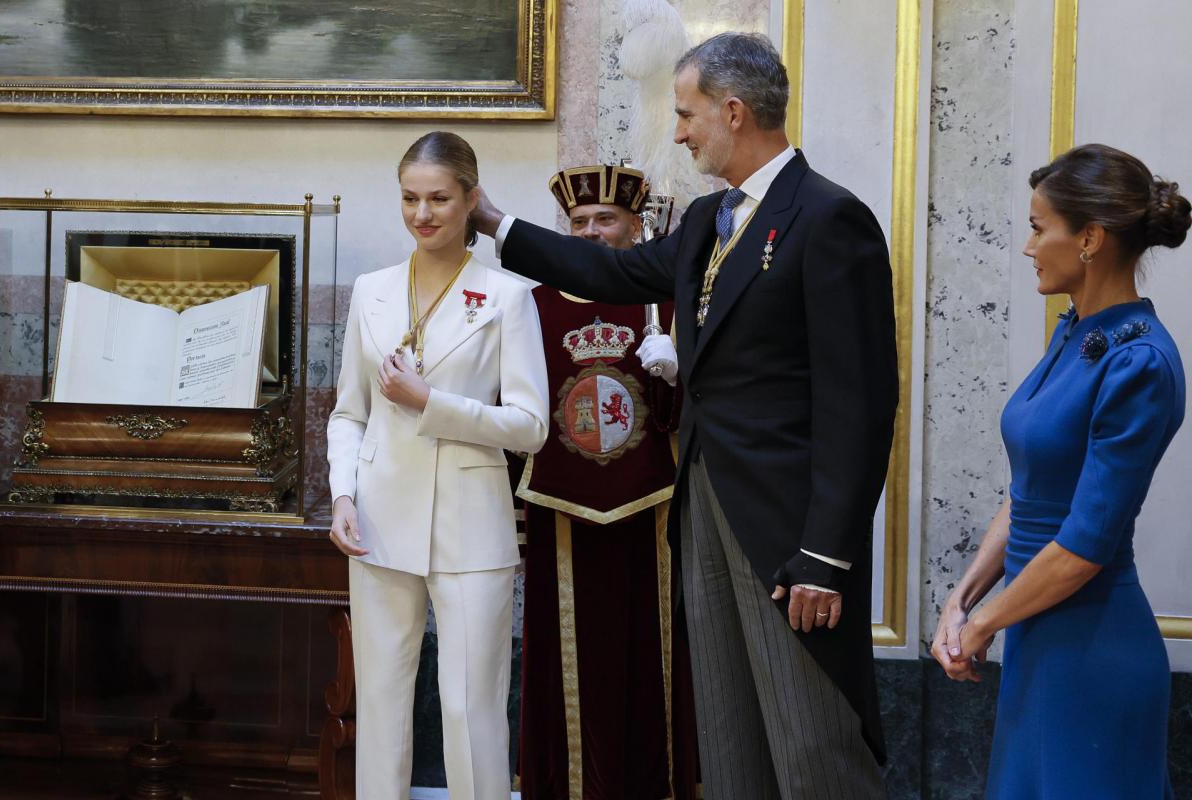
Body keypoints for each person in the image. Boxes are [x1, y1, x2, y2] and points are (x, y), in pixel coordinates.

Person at [473, 32, 898, 800]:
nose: (676, 132)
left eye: (686, 113)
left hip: (786, 529)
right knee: (728, 735)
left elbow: (861, 402)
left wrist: (827, 555)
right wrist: (495, 222)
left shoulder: (829, 218)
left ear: (733, 112)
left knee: (810, 742)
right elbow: (606, 268)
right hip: (702, 507)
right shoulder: (706, 221)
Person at [931, 143, 1191, 799]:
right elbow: (1030, 496)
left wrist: (985, 622)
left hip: (1093, 655)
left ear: (1090, 239)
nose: (1028, 246)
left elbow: (1084, 545)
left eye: (1038, 227)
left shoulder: (1141, 363)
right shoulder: (1076, 332)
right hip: (1038, 643)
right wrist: (960, 600)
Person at [327, 131, 548, 800]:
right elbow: (348, 413)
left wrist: (433, 404)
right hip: (376, 524)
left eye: (440, 199)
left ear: (471, 199)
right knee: (384, 710)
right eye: (410, 199)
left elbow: (531, 428)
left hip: (471, 531)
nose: (423, 215)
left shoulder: (507, 297)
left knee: (469, 710)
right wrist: (342, 494)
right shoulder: (370, 290)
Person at [515, 164, 699, 800]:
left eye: (605, 220)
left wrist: (680, 377)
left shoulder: (668, 302)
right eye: (578, 222)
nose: (590, 233)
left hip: (654, 515)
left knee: (653, 667)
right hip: (558, 512)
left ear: (636, 226)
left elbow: (705, 412)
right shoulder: (532, 305)